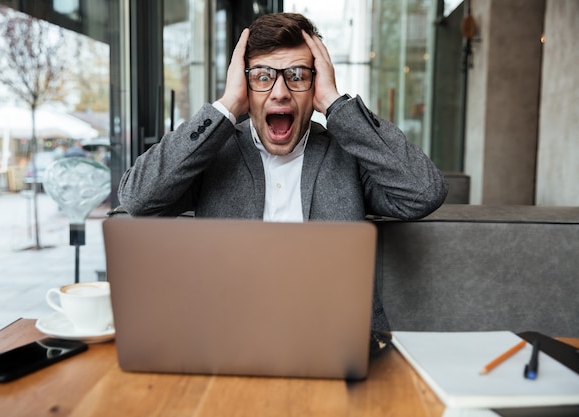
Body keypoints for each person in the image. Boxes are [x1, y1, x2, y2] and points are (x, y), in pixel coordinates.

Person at [118, 13, 448, 336]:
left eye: (297, 75)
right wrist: (227, 105)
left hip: (334, 339)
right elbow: (138, 198)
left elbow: (423, 192)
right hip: (227, 339)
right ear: (245, 84)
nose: (279, 92)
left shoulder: (350, 151)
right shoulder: (213, 152)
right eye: (262, 76)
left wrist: (336, 103)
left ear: (315, 83)